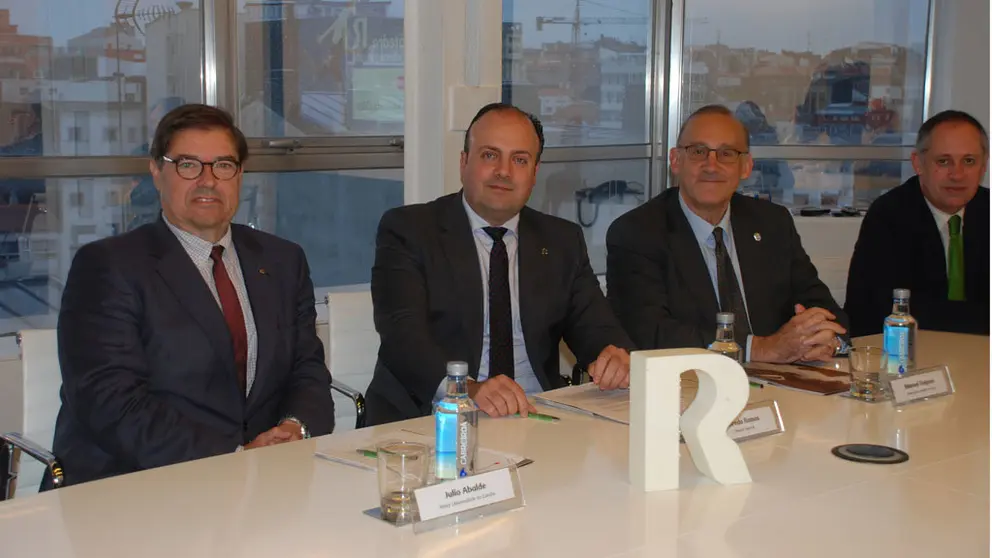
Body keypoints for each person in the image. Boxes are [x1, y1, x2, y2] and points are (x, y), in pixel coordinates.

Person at [52, 104, 334, 487]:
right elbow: (111, 403)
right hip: (137, 483)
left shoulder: (283, 260)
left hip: (265, 480)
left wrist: (294, 428)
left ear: (240, 174)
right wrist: (235, 457)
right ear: (156, 171)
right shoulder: (109, 266)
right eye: (188, 165)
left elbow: (307, 368)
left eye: (223, 165)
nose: (208, 180)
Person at [366, 103, 634, 425]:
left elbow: (597, 327)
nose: (504, 171)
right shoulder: (410, 230)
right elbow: (402, 335)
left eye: (519, 160)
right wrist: (466, 390)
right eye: (490, 155)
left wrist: (614, 355)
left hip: (536, 416)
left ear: (534, 173)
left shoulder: (562, 240)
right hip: (433, 417)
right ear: (464, 162)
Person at [607, 104, 848, 363]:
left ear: (745, 166)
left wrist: (826, 341)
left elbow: (826, 310)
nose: (712, 166)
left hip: (783, 385)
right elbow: (652, 334)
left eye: (727, 153)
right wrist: (761, 349)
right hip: (688, 389)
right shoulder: (637, 233)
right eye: (699, 151)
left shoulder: (772, 223)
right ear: (676, 161)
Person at [845, 110, 990, 336]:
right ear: (918, 163)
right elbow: (881, 310)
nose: (957, 174)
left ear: (983, 166)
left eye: (969, 161)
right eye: (944, 161)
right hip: (907, 354)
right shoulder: (889, 215)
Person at [127, 96, 186, 231]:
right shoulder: (140, 152)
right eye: (151, 122)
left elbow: (144, 194)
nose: (152, 126)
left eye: (156, 121)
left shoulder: (183, 155)